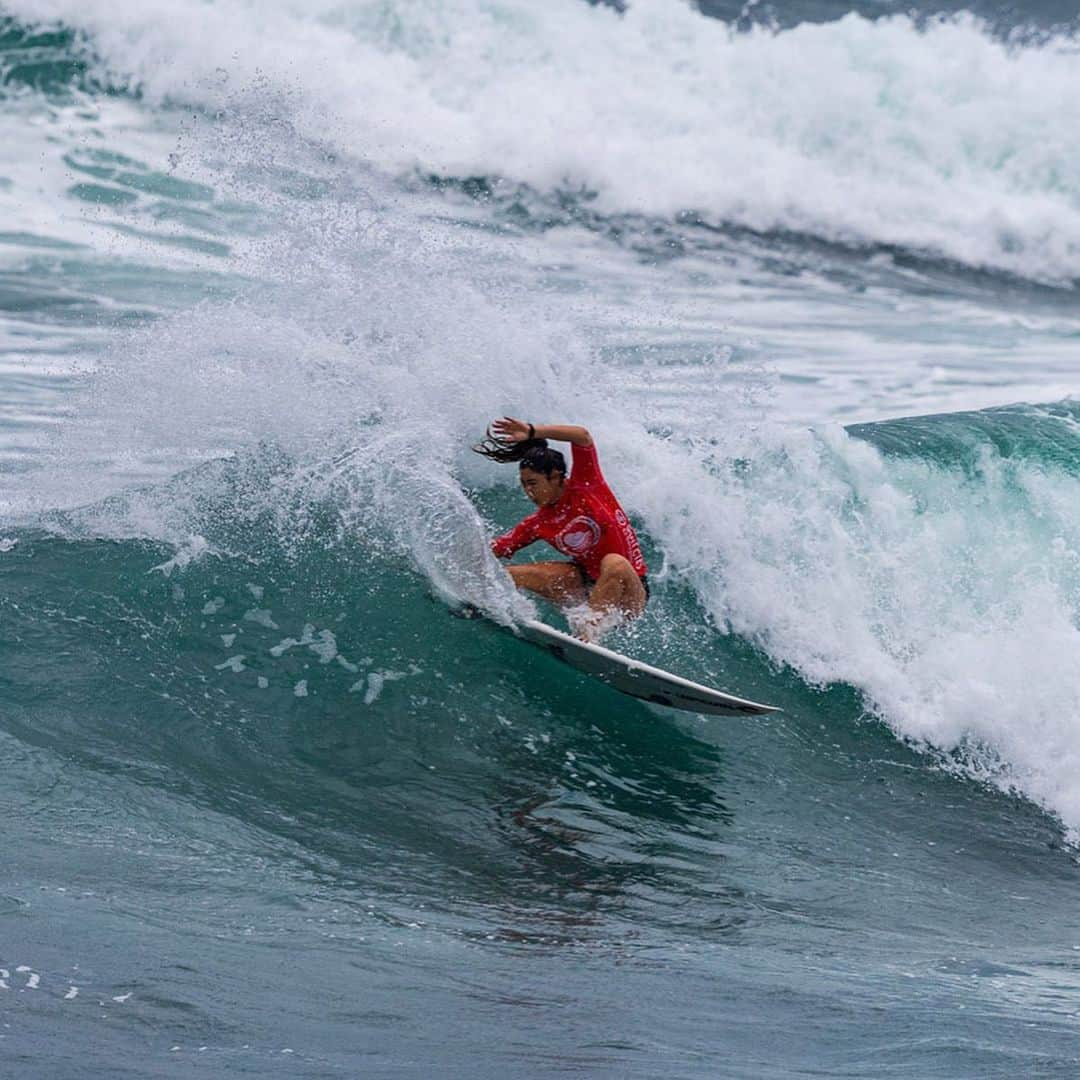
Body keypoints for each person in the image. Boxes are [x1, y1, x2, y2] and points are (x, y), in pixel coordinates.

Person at [473, 417, 649, 640]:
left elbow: (582, 436)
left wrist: (532, 431)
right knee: (509, 576)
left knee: (614, 562)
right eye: (524, 484)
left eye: (533, 483)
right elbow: (495, 550)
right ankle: (495, 612)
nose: (528, 492)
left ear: (555, 476)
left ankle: (588, 632)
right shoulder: (537, 523)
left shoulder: (586, 485)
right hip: (585, 587)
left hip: (629, 593)